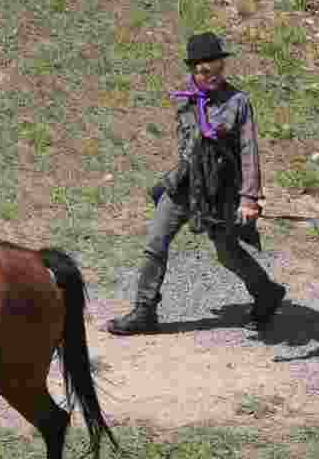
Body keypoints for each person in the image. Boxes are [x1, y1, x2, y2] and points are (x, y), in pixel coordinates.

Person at [104, 32, 286, 335]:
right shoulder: (184, 98)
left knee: (227, 252)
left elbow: (248, 150)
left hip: (219, 190)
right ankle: (144, 311)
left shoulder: (238, 102)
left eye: (218, 69)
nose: (212, 76)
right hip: (185, 183)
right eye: (204, 71)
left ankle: (266, 292)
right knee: (155, 242)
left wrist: (249, 198)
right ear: (192, 70)